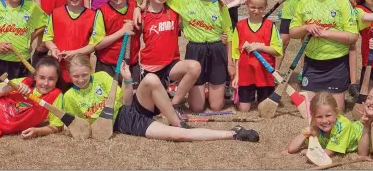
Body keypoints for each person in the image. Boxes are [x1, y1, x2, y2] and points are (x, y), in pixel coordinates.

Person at [61, 54, 259, 142]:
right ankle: (233, 134)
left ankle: (176, 121)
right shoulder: (69, 97)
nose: (80, 79)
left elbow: (127, 102)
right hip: (126, 123)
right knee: (179, 137)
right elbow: (81, 127)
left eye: (84, 74)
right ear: (69, 76)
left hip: (129, 108)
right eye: (75, 76)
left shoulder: (102, 78)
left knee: (151, 78)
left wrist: (128, 81)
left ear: (90, 70)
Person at [136, 0, 231, 112]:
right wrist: (138, 8)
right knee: (196, 107)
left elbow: (229, 33)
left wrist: (230, 63)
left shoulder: (220, 4)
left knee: (216, 106)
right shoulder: (181, 1)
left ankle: (214, 91)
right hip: (195, 49)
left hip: (217, 49)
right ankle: (185, 97)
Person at [289, 0, 359, 113]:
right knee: (311, 112)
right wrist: (305, 28)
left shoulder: (342, 3)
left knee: (337, 111)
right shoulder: (304, 2)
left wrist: (325, 32)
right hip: (312, 64)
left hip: (336, 64)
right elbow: (293, 32)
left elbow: (353, 37)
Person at [134, 0, 201, 110]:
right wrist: (137, 7)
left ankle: (174, 104)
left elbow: (196, 6)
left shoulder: (174, 11)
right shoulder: (142, 15)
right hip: (150, 67)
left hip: (171, 66)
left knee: (194, 67)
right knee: (151, 109)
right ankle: (164, 92)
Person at [230, 0, 283, 111]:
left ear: (265, 7)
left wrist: (259, 46)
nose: (256, 11)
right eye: (253, 7)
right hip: (245, 73)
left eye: (260, 8)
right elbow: (236, 54)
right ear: (247, 4)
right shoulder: (239, 26)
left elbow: (277, 51)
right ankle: (239, 95)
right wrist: (237, 76)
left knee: (263, 109)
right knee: (244, 109)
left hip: (264, 74)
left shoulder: (270, 26)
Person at [42, 0, 96, 92]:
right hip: (60, 70)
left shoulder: (92, 16)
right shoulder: (56, 13)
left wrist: (75, 53)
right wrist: (53, 48)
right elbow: (47, 38)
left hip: (80, 73)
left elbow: (93, 45)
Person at [83, 0, 140, 79]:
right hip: (108, 65)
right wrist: (122, 31)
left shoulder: (135, 6)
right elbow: (97, 44)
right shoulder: (102, 12)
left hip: (131, 64)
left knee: (132, 95)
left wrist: (138, 8)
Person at [284, 92, 363, 157]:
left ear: (336, 112)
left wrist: (308, 152)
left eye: (328, 115)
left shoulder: (342, 127)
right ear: (314, 117)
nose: (324, 121)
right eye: (319, 117)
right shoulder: (317, 127)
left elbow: (328, 153)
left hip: (364, 134)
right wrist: (306, 131)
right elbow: (291, 149)